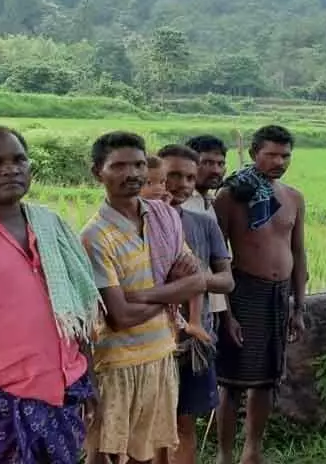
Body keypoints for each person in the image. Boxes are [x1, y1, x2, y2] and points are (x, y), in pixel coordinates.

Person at [81, 131, 208, 464]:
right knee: (110, 454)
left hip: (160, 354)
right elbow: (118, 317)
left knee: (151, 454)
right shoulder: (95, 236)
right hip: (118, 365)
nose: (133, 174)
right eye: (119, 166)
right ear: (98, 172)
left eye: (139, 164)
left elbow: (195, 281)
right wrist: (170, 295)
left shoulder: (161, 217)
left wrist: (143, 295)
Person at [0, 126, 101, 464]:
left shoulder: (50, 225)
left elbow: (76, 310)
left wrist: (90, 376)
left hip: (64, 387)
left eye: (18, 159)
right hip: (1, 396)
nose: (10, 169)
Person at [214, 125, 307, 464]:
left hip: (279, 295)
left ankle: (252, 450)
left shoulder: (293, 197)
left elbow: (298, 253)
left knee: (267, 378)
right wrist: (225, 312)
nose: (279, 161)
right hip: (243, 291)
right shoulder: (230, 196)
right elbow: (215, 255)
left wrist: (299, 306)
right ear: (254, 154)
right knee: (232, 380)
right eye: (271, 154)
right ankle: (225, 454)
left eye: (285, 155)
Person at [158, 144, 236, 464]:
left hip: (193, 339)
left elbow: (227, 280)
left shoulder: (203, 223)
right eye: (172, 175)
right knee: (146, 427)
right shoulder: (133, 226)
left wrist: (194, 281)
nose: (182, 184)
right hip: (145, 339)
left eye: (189, 177)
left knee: (183, 424)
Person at [184, 135, 231, 321]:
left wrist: (227, 316)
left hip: (211, 308)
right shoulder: (182, 207)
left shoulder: (208, 203)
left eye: (220, 164)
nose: (216, 170)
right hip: (187, 311)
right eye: (207, 163)